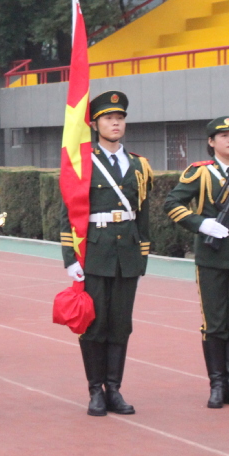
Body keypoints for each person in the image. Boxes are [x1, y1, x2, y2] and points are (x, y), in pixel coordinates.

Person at [60, 91, 153, 417]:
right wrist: (70, 257)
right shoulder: (83, 162)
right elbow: (68, 212)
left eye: (120, 118)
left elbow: (143, 215)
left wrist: (142, 255)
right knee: (94, 325)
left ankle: (114, 388)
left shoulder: (139, 165)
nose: (116, 123)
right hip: (95, 252)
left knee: (121, 325)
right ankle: (95, 390)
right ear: (95, 124)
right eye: (109, 118)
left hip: (127, 253)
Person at [163, 116, 229, 409]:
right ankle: (217, 384)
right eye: (223, 136)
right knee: (215, 323)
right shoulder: (201, 173)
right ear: (211, 142)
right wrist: (201, 224)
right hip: (212, 258)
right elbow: (172, 204)